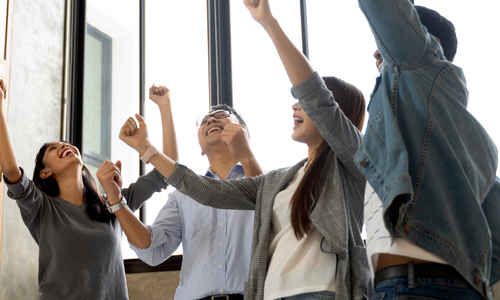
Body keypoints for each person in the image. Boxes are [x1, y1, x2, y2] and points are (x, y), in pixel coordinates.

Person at [117, 0, 371, 298]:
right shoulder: (283, 179)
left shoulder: (352, 160)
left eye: (304, 102)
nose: (294, 104)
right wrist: (146, 149)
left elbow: (316, 96)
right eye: (205, 119)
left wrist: (268, 22)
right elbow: (204, 190)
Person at [355, 1, 499, 299]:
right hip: (447, 285)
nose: (375, 52)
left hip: (411, 284)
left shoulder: (417, 58)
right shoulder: (468, 143)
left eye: (383, 41)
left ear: (428, 41)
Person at [0, 78, 169, 300]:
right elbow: (10, 168)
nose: (65, 145)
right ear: (45, 172)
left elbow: (169, 172)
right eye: (54, 148)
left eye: (66, 144)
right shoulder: (41, 208)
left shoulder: (115, 203)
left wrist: (164, 107)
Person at [99, 84, 262, 300]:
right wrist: (116, 199)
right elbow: (152, 249)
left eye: (221, 116)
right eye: (204, 121)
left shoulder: (272, 182)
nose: (210, 120)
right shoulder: (183, 196)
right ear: (201, 149)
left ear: (245, 135)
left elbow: (263, 201)